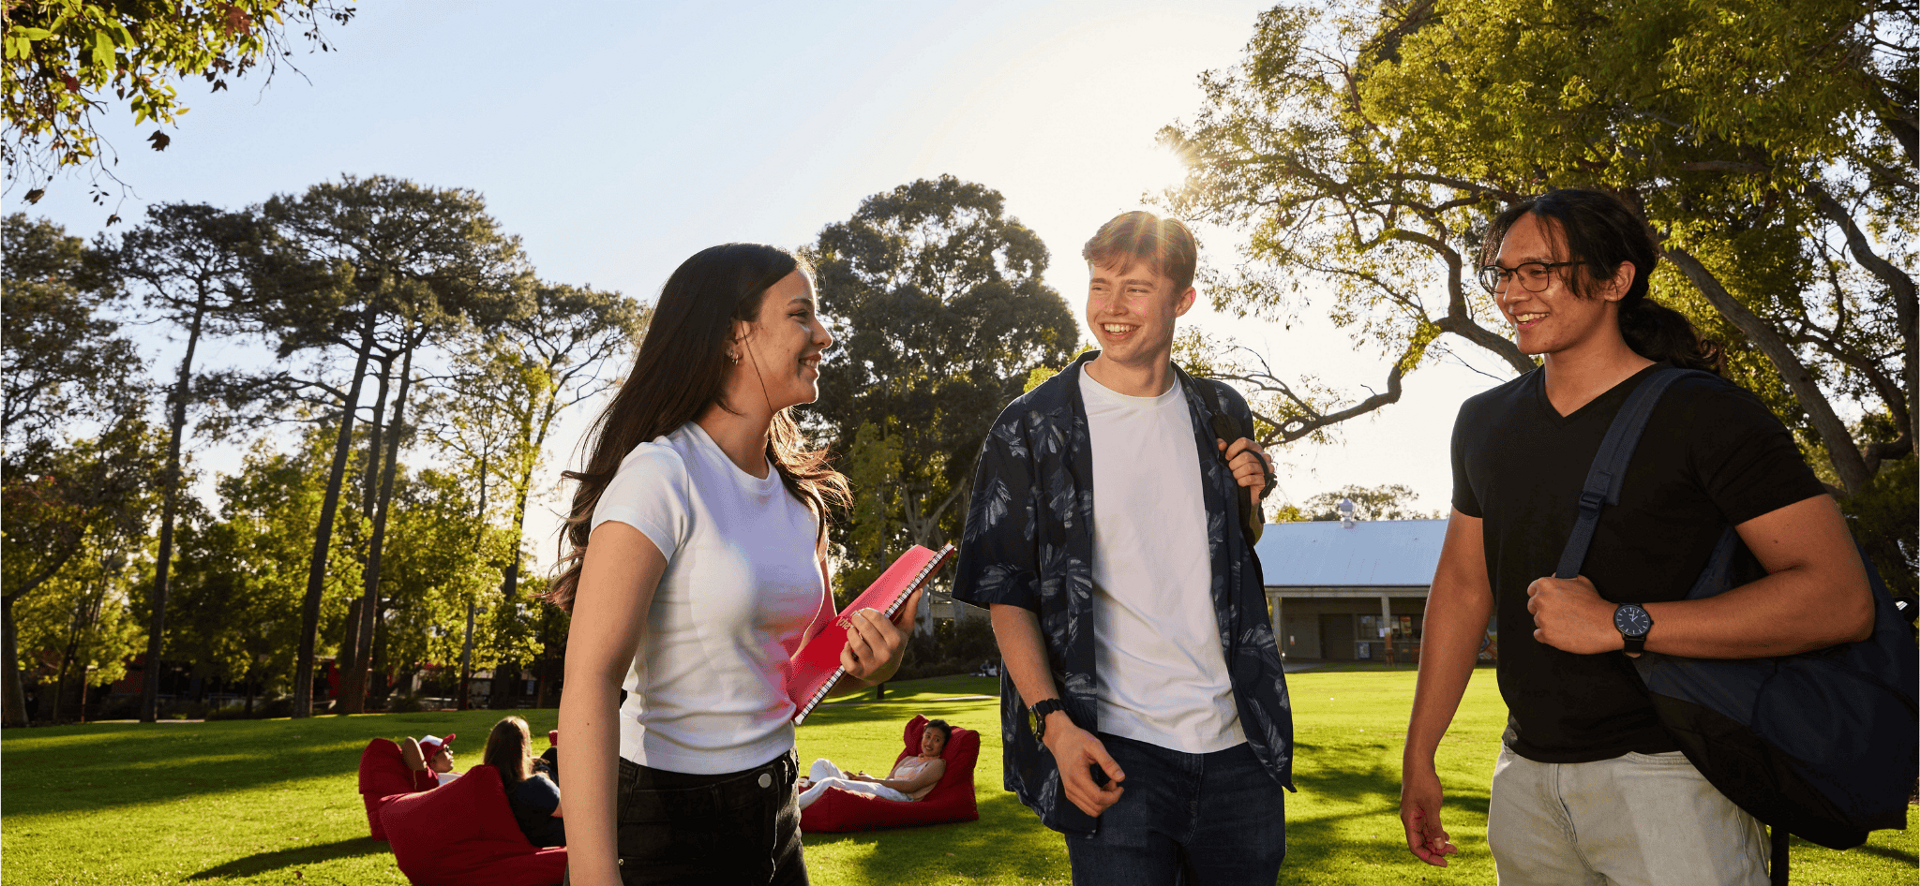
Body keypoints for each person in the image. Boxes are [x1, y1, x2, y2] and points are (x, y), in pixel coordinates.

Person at [1398, 188, 1874, 885]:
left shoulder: (1707, 416)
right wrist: (1419, 756)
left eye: (1540, 271)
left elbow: (1839, 601)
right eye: (1502, 272)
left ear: (1616, 280)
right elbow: (1465, 588)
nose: (1511, 292)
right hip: (1526, 781)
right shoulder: (1483, 422)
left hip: (1673, 781)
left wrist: (1621, 622)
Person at [548, 243, 918, 886]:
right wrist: (592, 878)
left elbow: (804, 663)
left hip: (777, 808)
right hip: (670, 824)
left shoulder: (800, 500)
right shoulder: (661, 476)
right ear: (732, 336)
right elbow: (589, 682)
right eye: (802, 316)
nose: (823, 336)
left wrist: (875, 663)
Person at [952, 211, 1295, 885]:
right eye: (1100, 284)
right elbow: (1005, 593)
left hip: (1238, 753)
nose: (1111, 307)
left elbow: (1228, 554)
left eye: (1135, 288)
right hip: (1116, 752)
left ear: (1182, 301)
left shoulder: (1219, 410)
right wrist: (1056, 727)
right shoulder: (1030, 428)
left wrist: (1251, 496)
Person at [796, 718, 952, 809]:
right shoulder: (909, 759)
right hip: (885, 789)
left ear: (943, 745)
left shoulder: (937, 764)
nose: (929, 742)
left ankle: (789, 812)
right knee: (821, 764)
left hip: (903, 797)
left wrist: (871, 781)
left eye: (936, 740)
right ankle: (816, 803)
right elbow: (888, 779)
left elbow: (911, 786)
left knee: (830, 782)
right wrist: (862, 778)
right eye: (927, 736)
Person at [485, 716, 565, 847]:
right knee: (556, 755)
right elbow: (572, 813)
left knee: (553, 753)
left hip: (530, 824)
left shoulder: (494, 780)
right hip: (553, 837)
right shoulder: (536, 785)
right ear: (524, 747)